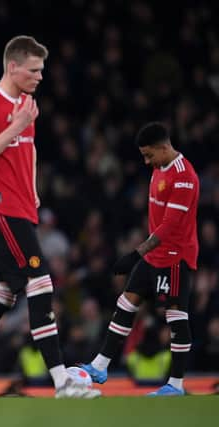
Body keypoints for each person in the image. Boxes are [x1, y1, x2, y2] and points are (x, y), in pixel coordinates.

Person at [0, 35, 99, 399]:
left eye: (41, 69)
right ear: (13, 67)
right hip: (0, 208)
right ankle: (62, 382)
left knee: (2, 293)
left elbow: (30, 149)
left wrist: (33, 190)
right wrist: (15, 125)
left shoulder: (27, 103)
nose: (40, 76)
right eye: (34, 69)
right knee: (40, 282)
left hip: (22, 207)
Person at [82, 122, 199, 396]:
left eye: (149, 155)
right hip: (155, 255)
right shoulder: (159, 168)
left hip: (175, 256)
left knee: (175, 315)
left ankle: (176, 385)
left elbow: (169, 226)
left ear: (163, 147)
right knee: (126, 302)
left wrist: (135, 254)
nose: (147, 161)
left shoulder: (185, 177)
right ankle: (100, 366)